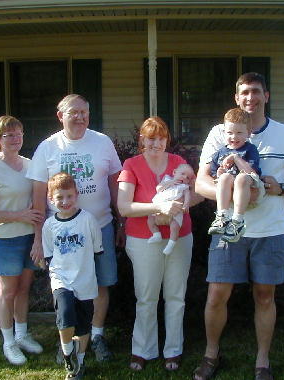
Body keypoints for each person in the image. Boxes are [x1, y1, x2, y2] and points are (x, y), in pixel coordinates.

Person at [193, 72, 284, 380]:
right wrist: (237, 195)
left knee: (264, 295)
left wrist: (281, 188)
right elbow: (200, 183)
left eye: (256, 92)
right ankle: (211, 355)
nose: (250, 97)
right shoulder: (220, 133)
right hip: (228, 229)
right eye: (244, 92)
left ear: (266, 96)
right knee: (217, 295)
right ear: (237, 98)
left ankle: (262, 362)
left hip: (270, 231)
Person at [26, 94, 123, 362]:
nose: (79, 117)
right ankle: (67, 340)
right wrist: (37, 238)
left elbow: (116, 184)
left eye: (84, 112)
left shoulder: (102, 142)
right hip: (62, 233)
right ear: (60, 116)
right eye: (73, 112)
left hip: (101, 226)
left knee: (102, 284)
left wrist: (121, 221)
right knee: (67, 288)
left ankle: (97, 335)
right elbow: (37, 194)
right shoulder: (47, 147)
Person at [117, 116, 201, 372]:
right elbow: (124, 206)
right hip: (144, 240)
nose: (156, 143)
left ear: (167, 140)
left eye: (161, 138)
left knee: (176, 295)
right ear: (142, 139)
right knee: (146, 296)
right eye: (151, 138)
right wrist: (159, 206)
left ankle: (173, 351)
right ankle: (143, 349)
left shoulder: (179, 163)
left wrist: (182, 204)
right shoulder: (130, 165)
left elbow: (198, 193)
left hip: (180, 237)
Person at [0, 115, 44, 366]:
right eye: (9, 135)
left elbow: (38, 203)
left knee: (24, 288)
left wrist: (37, 235)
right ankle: (9, 342)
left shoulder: (30, 165)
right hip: (5, 238)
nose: (16, 139)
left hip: (29, 237)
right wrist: (19, 215)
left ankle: (22, 334)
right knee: (8, 291)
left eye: (19, 134)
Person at [43, 172, 103, 380]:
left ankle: (80, 360)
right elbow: (50, 254)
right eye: (59, 197)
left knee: (84, 323)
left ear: (76, 194)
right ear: (51, 199)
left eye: (69, 196)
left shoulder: (88, 220)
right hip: (61, 279)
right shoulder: (49, 225)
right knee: (66, 315)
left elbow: (97, 250)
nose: (65, 201)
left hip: (85, 279)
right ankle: (68, 354)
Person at [207, 108, 264, 242]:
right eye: (230, 133)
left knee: (241, 177)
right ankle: (222, 216)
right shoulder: (220, 152)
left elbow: (251, 172)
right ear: (224, 133)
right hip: (230, 187)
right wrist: (219, 174)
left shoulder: (250, 149)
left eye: (239, 132)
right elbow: (215, 174)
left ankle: (237, 221)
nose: (234, 137)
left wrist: (236, 158)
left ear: (248, 133)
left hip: (248, 183)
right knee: (225, 177)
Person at [147, 163, 194, 255]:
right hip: (159, 207)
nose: (184, 177)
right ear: (174, 172)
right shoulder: (167, 179)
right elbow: (158, 189)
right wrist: (170, 183)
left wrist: (186, 205)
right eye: (182, 174)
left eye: (188, 178)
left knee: (175, 226)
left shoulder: (184, 187)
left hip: (175, 210)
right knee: (150, 219)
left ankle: (171, 244)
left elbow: (187, 196)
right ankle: (156, 234)